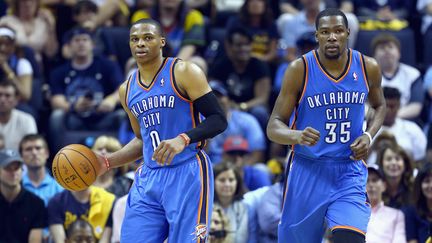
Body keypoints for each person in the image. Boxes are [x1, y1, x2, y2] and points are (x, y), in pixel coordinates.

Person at [95, 18, 227, 242]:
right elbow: (142, 140)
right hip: (149, 177)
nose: (140, 44)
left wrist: (184, 138)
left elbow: (218, 119)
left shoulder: (184, 71)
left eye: (148, 38)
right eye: (134, 39)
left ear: (162, 42)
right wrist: (107, 162)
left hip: (188, 170)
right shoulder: (126, 90)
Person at [266, 8, 386, 243]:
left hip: (348, 171)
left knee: (350, 238)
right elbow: (273, 126)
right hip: (307, 170)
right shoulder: (299, 70)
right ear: (317, 36)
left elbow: (380, 105)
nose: (332, 37)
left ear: (348, 33)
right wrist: (296, 136)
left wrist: (369, 136)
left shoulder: (367, 66)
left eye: (338, 31)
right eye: (325, 32)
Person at [0, 149, 47, 243]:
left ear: (22, 170)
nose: (13, 173)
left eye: (16, 168)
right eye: (8, 168)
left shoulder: (36, 204)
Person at [366, 164, 406, 243]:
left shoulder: (396, 215)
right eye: (366, 181)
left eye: (374, 180)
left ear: (384, 186)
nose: (370, 185)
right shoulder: (354, 214)